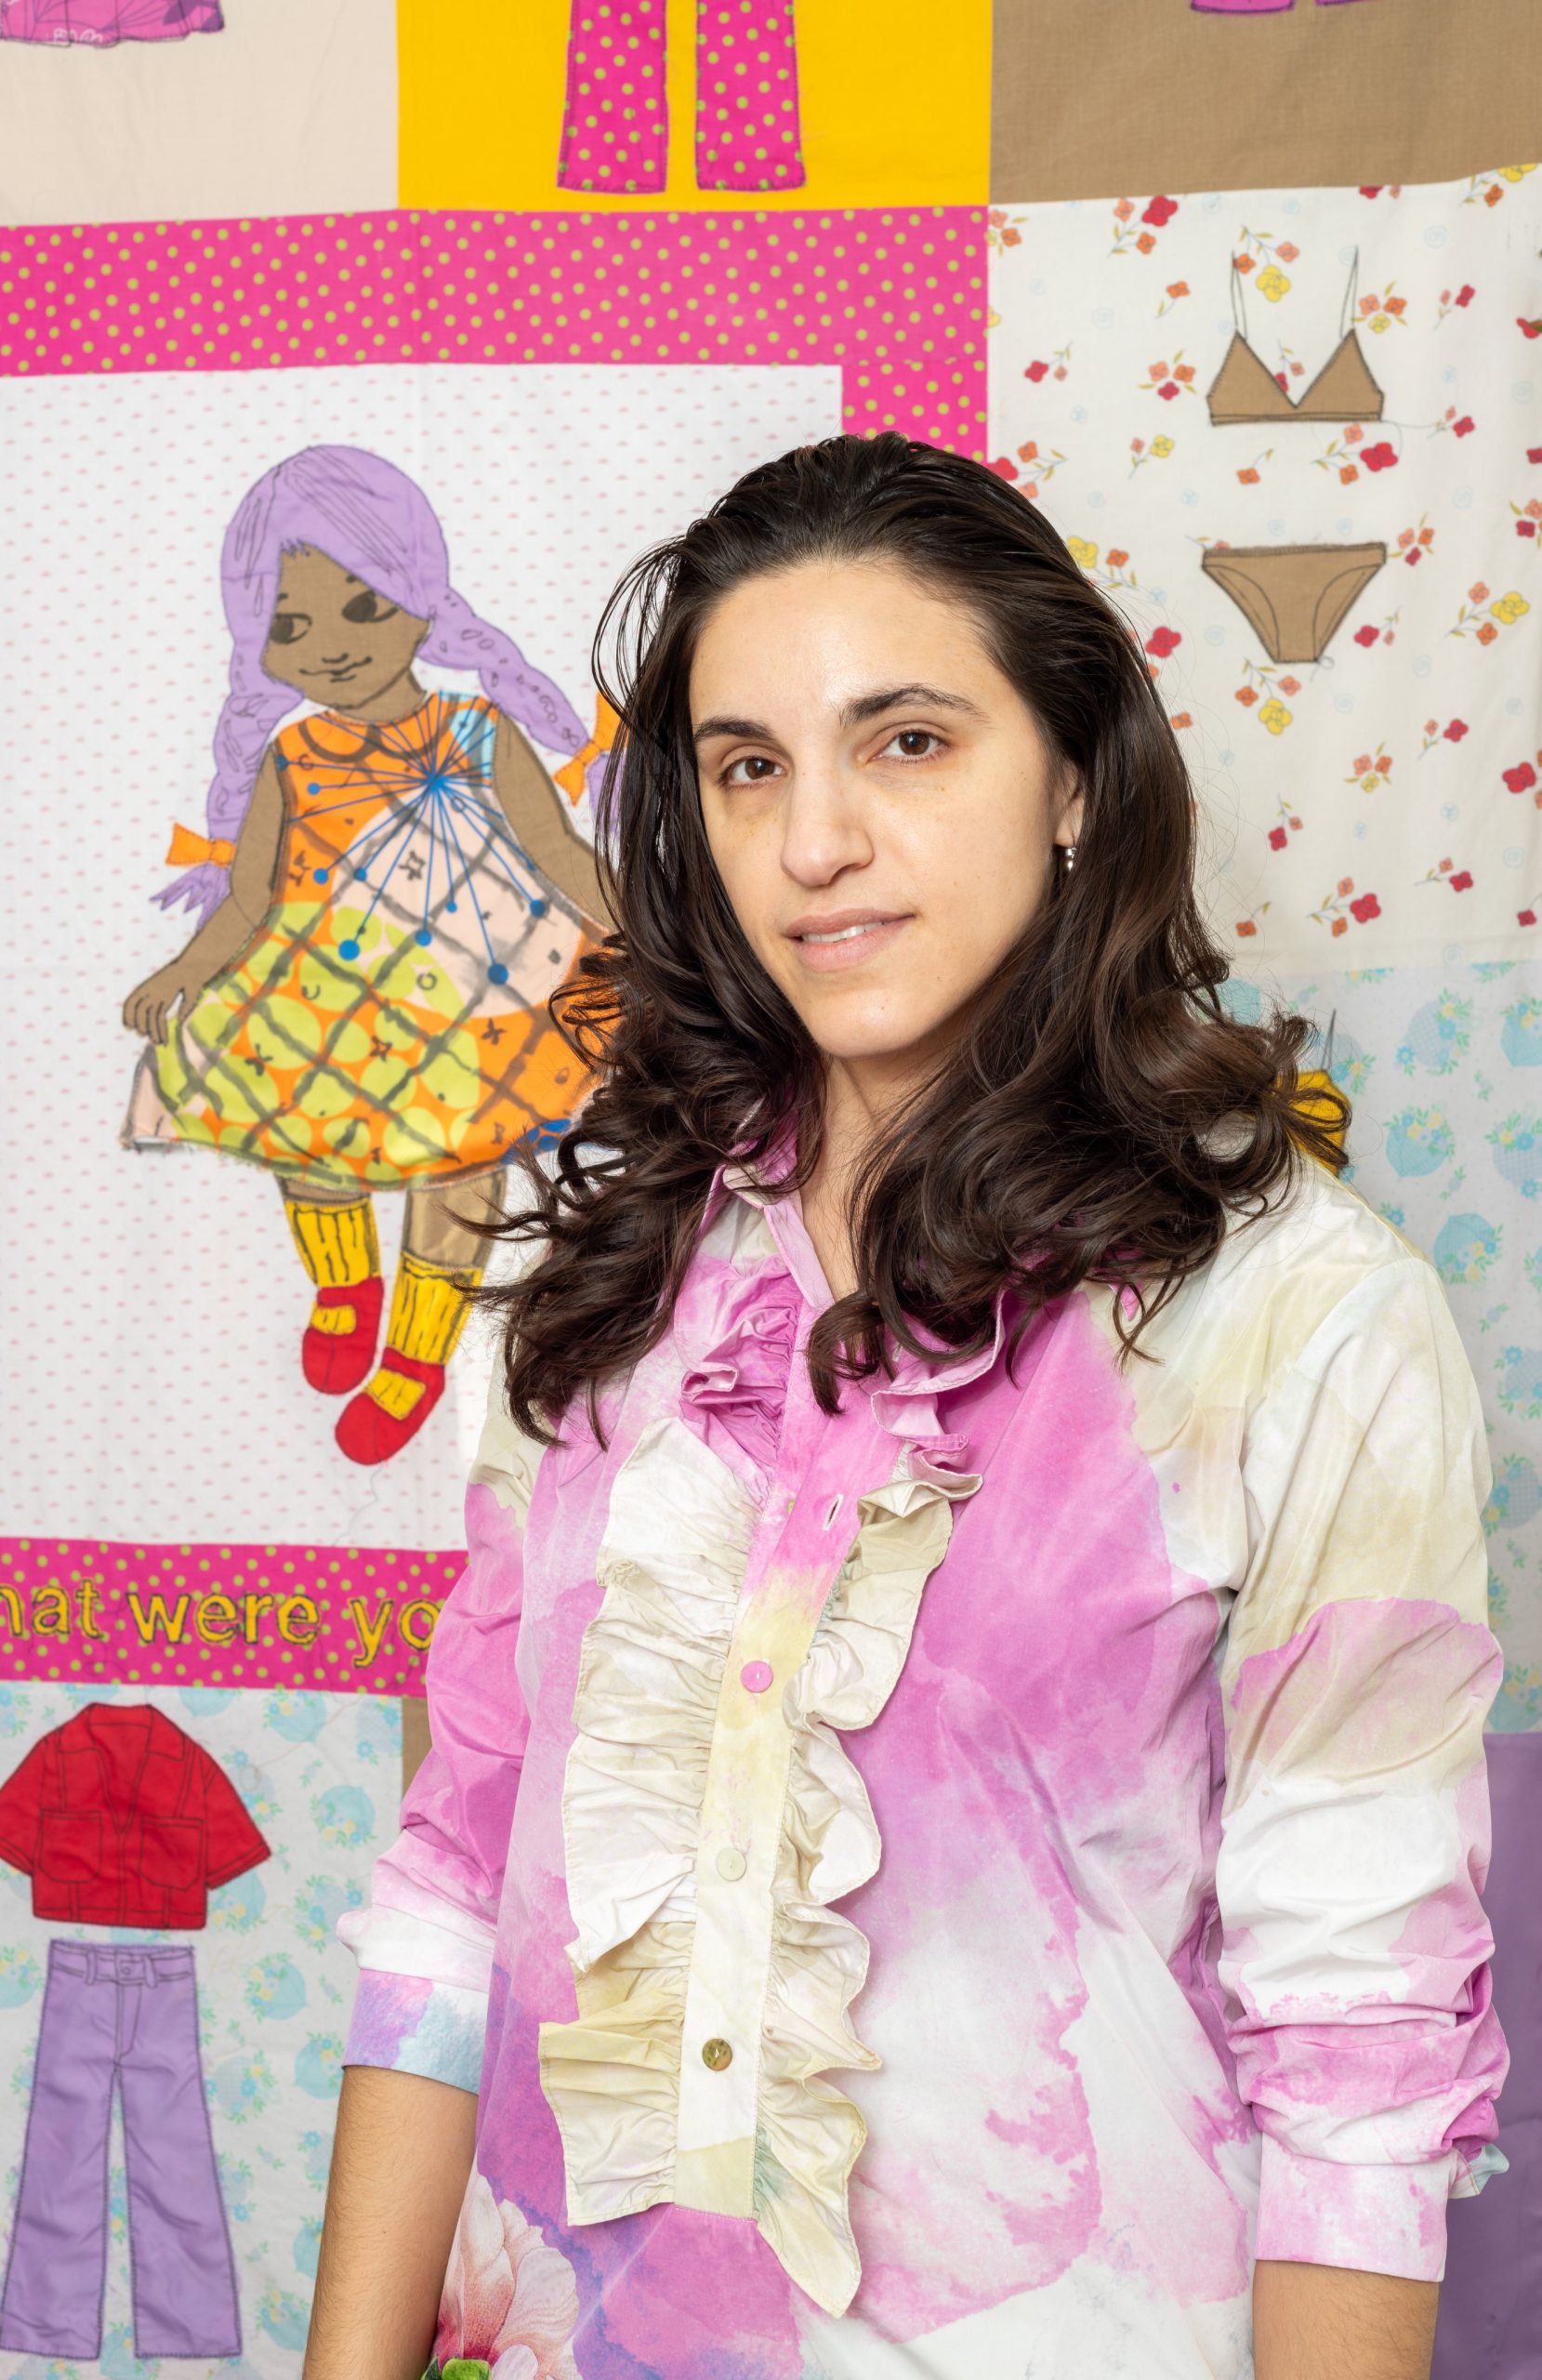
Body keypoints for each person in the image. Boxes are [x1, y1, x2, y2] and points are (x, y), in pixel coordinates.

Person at [306, 433, 1507, 2380]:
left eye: (908, 742)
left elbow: (1357, 2059)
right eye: (745, 766)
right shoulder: (594, 1280)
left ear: (1073, 779)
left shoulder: (1295, 1317)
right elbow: (452, 1879)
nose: (813, 843)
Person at [120, 444, 611, 1464]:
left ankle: (417, 1350)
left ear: (422, 602)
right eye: (290, 627)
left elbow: (559, 852)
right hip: (320, 994)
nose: (331, 647)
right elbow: (250, 896)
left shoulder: (478, 730)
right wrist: (184, 971)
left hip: (467, 1000)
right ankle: (345, 1285)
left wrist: (652, 927)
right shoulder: (293, 754)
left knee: (459, 1166)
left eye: (363, 606)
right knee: (301, 1140)